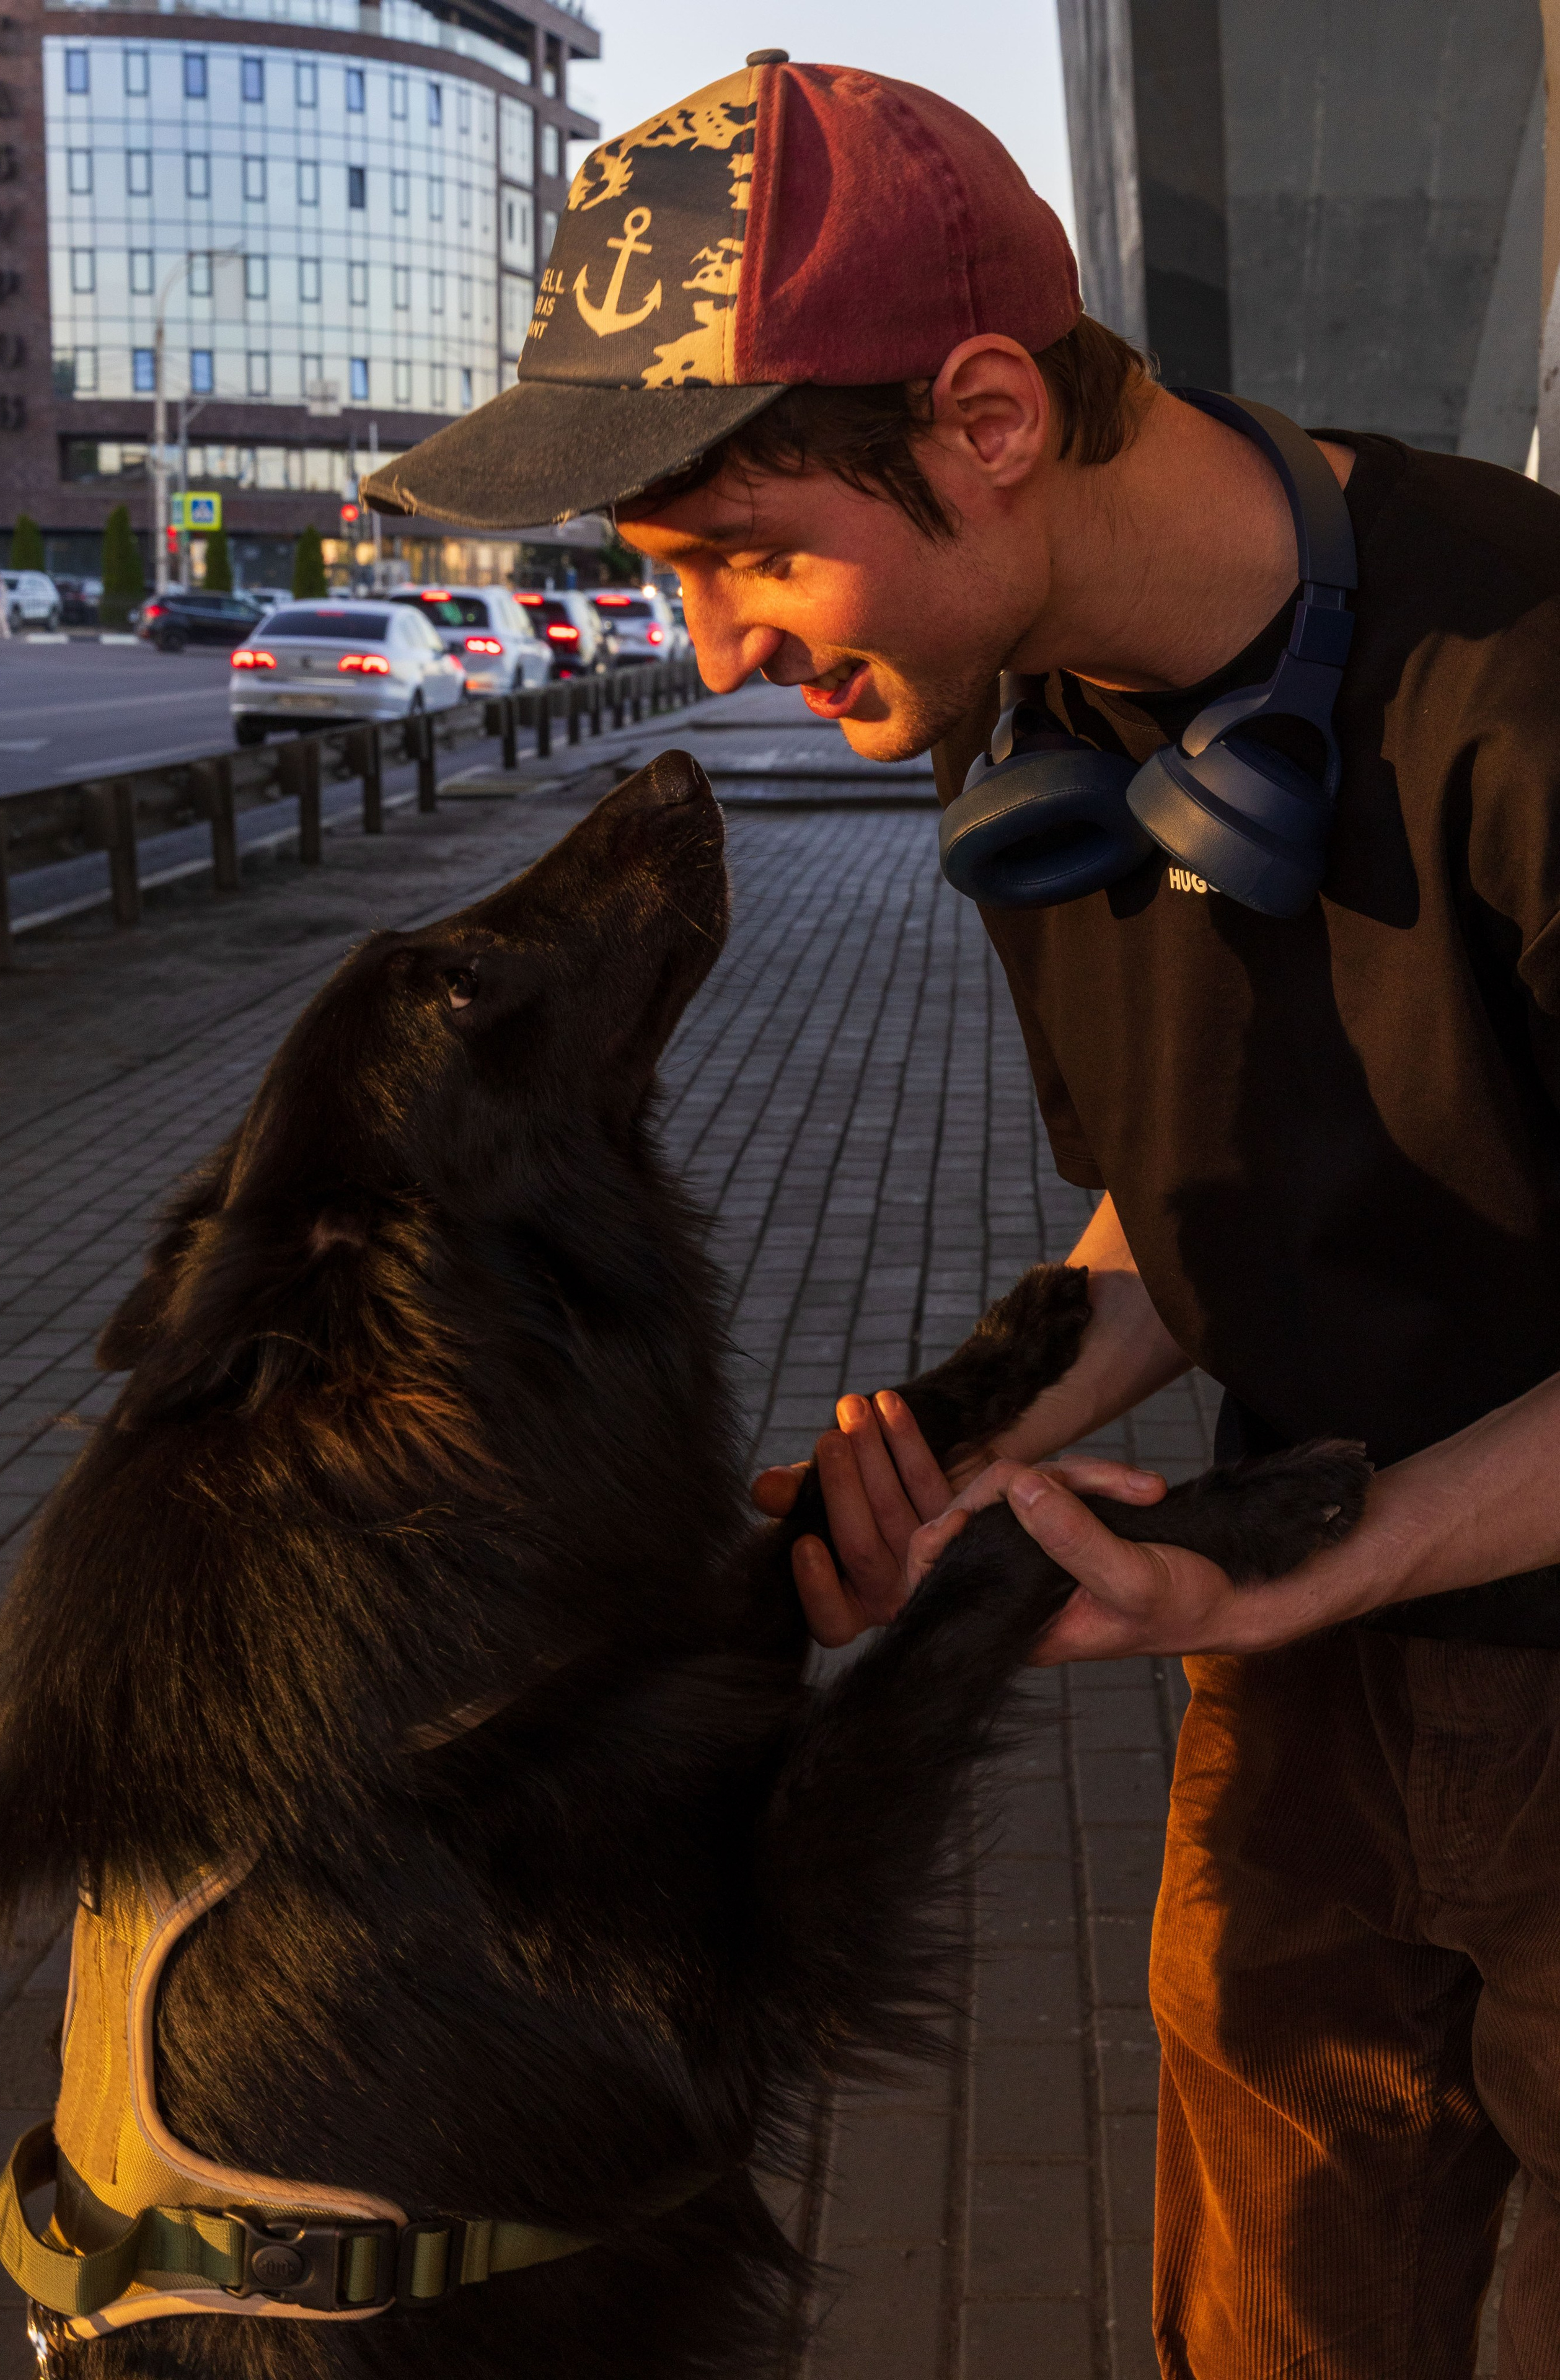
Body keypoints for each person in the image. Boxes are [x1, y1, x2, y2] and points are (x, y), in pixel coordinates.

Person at [364, 55, 1560, 2376]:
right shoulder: (1021, 735)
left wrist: (1328, 1543)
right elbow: (1166, 1202)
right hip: (1298, 1702)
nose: (714, 655)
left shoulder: (1524, 695)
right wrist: (972, 1421)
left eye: (738, 552)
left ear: (987, 414)